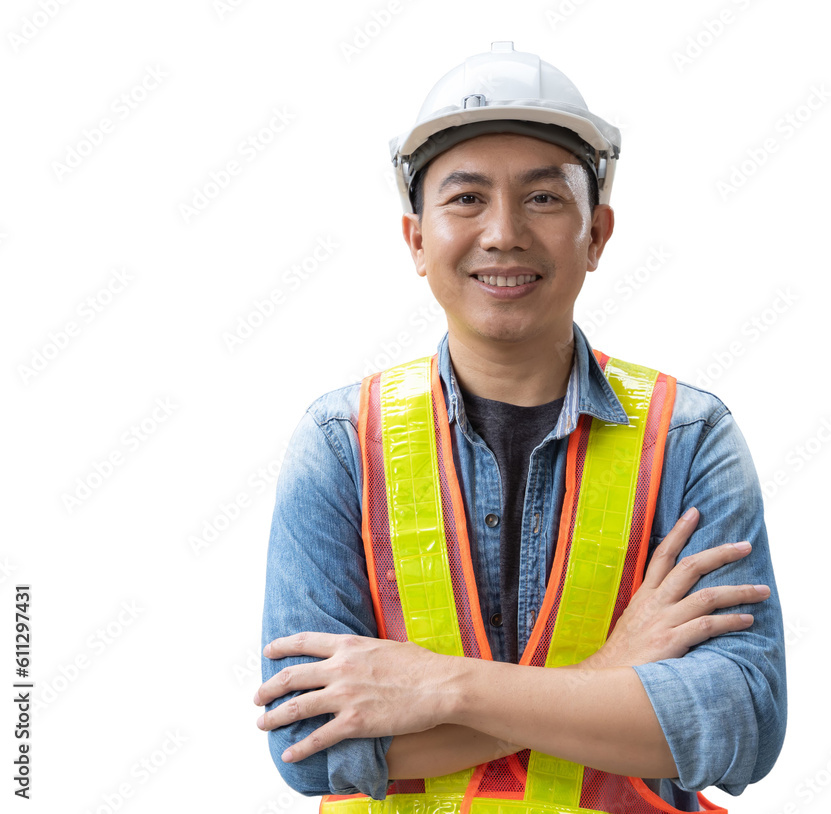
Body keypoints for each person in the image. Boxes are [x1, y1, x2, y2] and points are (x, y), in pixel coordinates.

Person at [255, 42, 786, 814]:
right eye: (466, 198)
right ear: (415, 240)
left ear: (597, 234)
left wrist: (440, 688)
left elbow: (739, 724)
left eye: (542, 198)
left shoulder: (688, 438)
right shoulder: (343, 443)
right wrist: (611, 677)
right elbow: (310, 747)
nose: (503, 232)